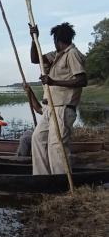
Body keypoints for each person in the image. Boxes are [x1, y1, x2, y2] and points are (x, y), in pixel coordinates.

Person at [29, 22, 87, 175]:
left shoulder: (72, 54)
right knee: (37, 139)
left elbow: (82, 80)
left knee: (57, 146)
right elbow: (36, 59)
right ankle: (42, 178)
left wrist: (53, 82)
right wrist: (34, 40)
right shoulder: (56, 55)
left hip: (63, 108)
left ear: (57, 39)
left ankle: (61, 181)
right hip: (49, 108)